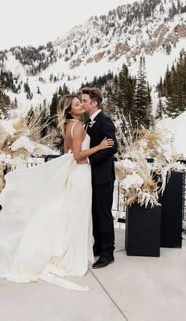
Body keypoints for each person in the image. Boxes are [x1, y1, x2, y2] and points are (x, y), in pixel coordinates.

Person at [0, 94, 114, 291]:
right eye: (76, 104)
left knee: (73, 214)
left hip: (76, 175)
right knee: (78, 215)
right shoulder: (78, 126)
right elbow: (76, 155)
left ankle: (74, 250)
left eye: (81, 102)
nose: (81, 105)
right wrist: (99, 146)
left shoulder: (67, 127)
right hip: (81, 174)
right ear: (69, 110)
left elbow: (66, 153)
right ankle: (73, 255)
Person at [81, 87, 118, 269]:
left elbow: (112, 147)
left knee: (103, 214)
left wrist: (89, 159)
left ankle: (108, 252)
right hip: (92, 177)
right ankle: (97, 246)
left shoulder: (104, 121)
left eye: (85, 101)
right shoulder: (89, 123)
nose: (82, 103)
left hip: (103, 177)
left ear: (94, 103)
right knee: (95, 213)